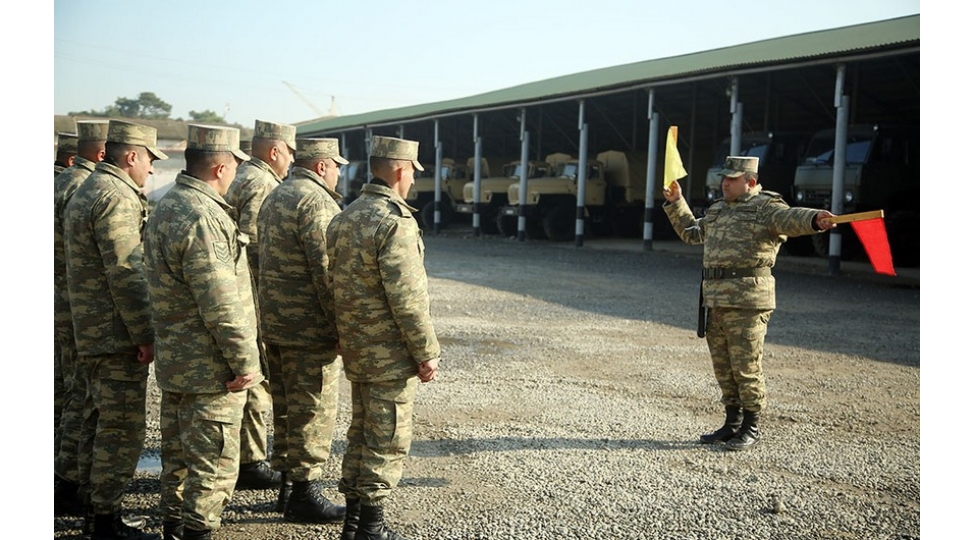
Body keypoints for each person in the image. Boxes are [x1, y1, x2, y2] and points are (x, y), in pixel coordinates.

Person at [662, 156, 836, 451]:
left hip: (748, 302)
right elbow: (692, 233)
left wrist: (814, 218)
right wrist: (677, 202)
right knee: (724, 368)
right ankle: (731, 423)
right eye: (724, 178)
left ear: (750, 182)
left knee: (746, 367)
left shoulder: (766, 208)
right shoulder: (718, 210)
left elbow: (791, 218)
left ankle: (751, 426)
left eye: (731, 179)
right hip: (715, 301)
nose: (724, 183)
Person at [142, 124, 260, 540]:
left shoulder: (169, 204)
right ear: (221, 167)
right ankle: (194, 532)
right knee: (212, 464)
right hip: (210, 367)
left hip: (178, 359)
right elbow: (220, 303)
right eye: (234, 169)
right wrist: (246, 361)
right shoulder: (203, 216)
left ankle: (174, 526)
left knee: (177, 457)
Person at [326, 135, 441, 540]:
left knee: (361, 431)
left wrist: (342, 334)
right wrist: (426, 351)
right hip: (388, 350)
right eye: (411, 171)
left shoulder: (345, 217)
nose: (412, 180)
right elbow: (408, 298)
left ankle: (354, 522)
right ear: (398, 170)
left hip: (357, 347)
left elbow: (332, 284)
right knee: (387, 436)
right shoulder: (394, 221)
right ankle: (370, 530)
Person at [63, 119, 166, 539]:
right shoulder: (115, 196)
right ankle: (106, 520)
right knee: (120, 425)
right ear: (131, 157)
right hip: (114, 331)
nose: (153, 171)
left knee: (93, 416)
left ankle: (92, 506)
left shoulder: (87, 189)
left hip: (91, 326)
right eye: (149, 161)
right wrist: (145, 333)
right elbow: (126, 272)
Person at [256, 138, 349, 523]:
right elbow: (325, 270)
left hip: (276, 324)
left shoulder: (275, 195)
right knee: (312, 410)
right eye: (337, 166)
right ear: (323, 166)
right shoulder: (316, 201)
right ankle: (304, 494)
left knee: (286, 408)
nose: (339, 173)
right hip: (309, 330)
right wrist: (341, 326)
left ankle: (286, 487)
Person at [224, 119, 296, 491]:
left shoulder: (242, 176)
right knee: (253, 377)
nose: (290, 161)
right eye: (289, 152)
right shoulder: (261, 182)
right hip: (250, 297)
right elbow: (256, 248)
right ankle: (250, 460)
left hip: (241, 294)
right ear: (274, 151)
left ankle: (245, 456)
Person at [54, 120, 108, 517]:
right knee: (82, 394)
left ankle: (66, 475)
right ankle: (70, 478)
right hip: (81, 304)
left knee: (72, 387)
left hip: (66, 299)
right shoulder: (83, 187)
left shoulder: (65, 183)